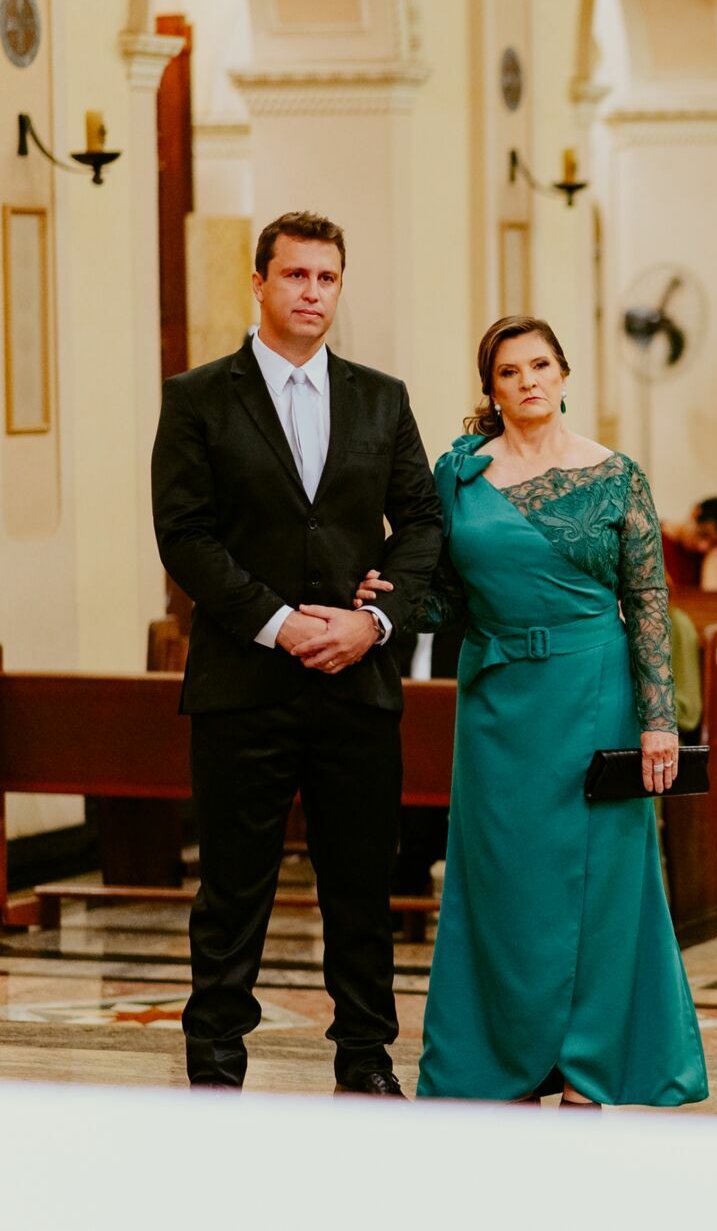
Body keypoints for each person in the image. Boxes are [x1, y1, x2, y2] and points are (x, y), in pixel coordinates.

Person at [354, 317, 707, 1107]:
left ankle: (593, 1067)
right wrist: (391, 594)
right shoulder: (459, 475)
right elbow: (445, 593)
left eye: (540, 365)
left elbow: (648, 597)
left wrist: (660, 720)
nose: (528, 381)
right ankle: (506, 1062)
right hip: (499, 706)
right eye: (509, 372)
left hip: (599, 696)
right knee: (502, 884)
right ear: (492, 389)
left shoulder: (617, 475)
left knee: (605, 887)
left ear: (565, 373)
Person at [150, 211, 442, 1095]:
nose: (312, 293)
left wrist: (374, 626)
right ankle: (215, 1069)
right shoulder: (198, 396)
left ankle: (365, 1060)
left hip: (358, 684)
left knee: (360, 887)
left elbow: (423, 522)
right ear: (261, 281)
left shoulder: (380, 396)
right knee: (233, 892)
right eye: (297, 276)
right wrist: (281, 622)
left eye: (327, 278)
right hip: (245, 682)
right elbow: (186, 535)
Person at [662, 496, 717, 588]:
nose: (703, 547)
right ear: (695, 513)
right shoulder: (649, 539)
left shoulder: (705, 558)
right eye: (703, 534)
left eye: (713, 544)